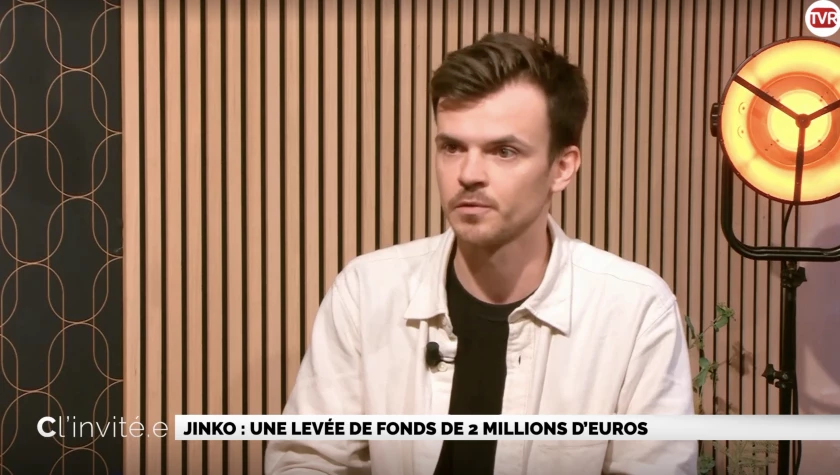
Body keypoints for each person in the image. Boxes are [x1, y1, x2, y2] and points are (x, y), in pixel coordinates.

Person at [265, 32, 697, 475]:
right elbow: (307, 459)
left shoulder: (635, 310)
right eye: (452, 147)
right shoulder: (367, 290)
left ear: (562, 167)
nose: (468, 174)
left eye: (504, 151)